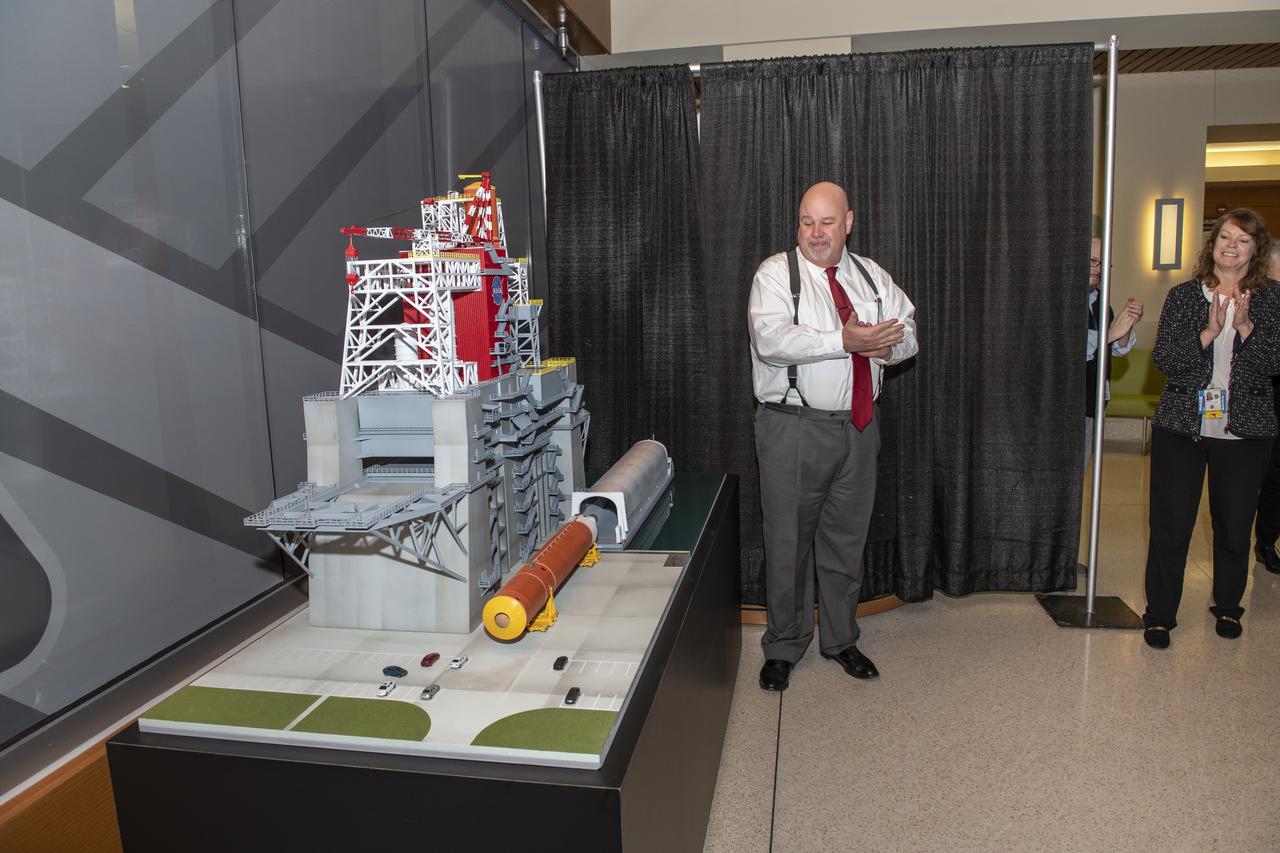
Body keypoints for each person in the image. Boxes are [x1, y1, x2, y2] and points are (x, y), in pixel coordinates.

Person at [747, 182, 918, 690]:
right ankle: (783, 645)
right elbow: (771, 339)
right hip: (792, 429)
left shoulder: (871, 275)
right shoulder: (776, 275)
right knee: (788, 544)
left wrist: (885, 347)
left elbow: (908, 331)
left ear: (849, 222)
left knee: (846, 541)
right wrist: (845, 339)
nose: (815, 233)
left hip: (859, 428)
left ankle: (841, 639)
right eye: (806, 222)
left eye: (826, 222)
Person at [1142, 209, 1278, 649]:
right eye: (1224, 236)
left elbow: (1272, 364)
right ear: (1212, 243)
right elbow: (1166, 361)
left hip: (1245, 431)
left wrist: (1244, 328)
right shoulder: (1184, 296)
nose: (1231, 245)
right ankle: (1160, 615)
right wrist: (1208, 332)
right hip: (1182, 426)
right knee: (1170, 526)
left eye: (1242, 239)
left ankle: (1228, 607)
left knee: (1235, 526)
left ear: (1256, 249)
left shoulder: (1272, 299)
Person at [1085, 235, 1143, 452]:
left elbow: (1117, 348)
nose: (1098, 269)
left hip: (1093, 403)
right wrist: (1109, 334)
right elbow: (1066, 347)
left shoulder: (1101, 302)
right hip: (1064, 407)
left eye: (1103, 263)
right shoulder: (1061, 299)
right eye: (1092, 261)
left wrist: (1127, 325)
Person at [1252, 240, 1280, 574]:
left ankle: (1267, 539)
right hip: (1266, 401)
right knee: (1271, 478)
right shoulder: (1260, 299)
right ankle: (1265, 542)